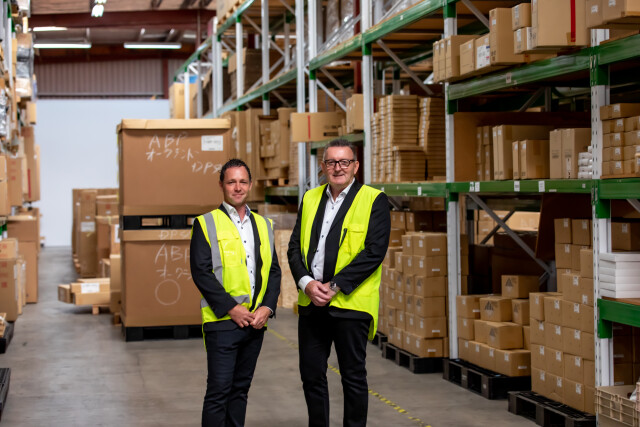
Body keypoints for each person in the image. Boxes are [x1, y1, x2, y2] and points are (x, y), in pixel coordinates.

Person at [287, 139, 391, 427]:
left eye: (344, 162)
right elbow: (294, 247)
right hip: (312, 302)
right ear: (323, 167)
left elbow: (374, 252)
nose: (338, 168)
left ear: (355, 166)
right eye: (331, 162)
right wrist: (307, 283)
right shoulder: (310, 199)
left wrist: (334, 287)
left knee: (353, 377)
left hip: (350, 303)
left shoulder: (374, 200)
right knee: (311, 375)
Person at [190, 158, 281, 427]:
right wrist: (232, 308)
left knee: (240, 390)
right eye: (231, 182)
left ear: (250, 185)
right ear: (221, 185)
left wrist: (267, 307)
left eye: (243, 182)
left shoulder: (264, 225)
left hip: (255, 321)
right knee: (219, 392)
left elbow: (273, 271)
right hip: (223, 322)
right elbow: (201, 272)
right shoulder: (206, 223)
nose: (237, 187)